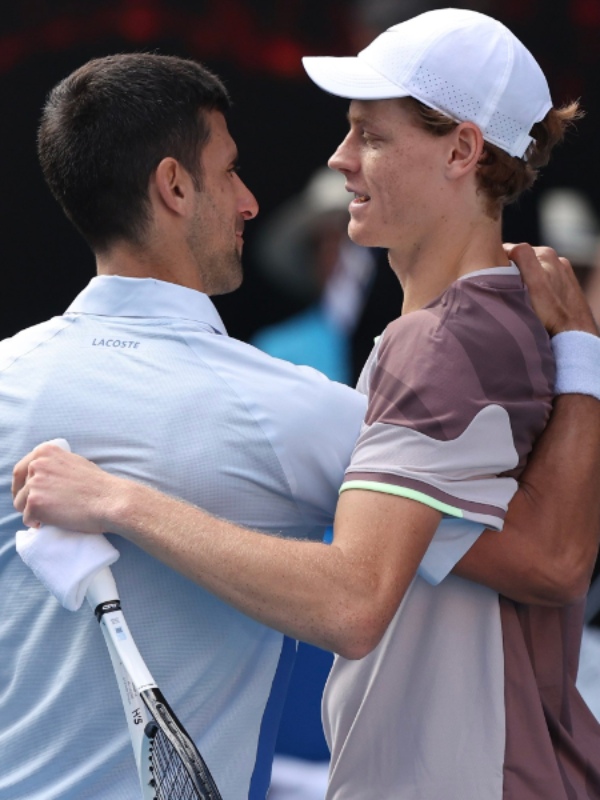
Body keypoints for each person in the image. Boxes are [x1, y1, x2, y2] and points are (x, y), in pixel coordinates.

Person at [13, 9, 600, 800]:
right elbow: (546, 557)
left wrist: (118, 499)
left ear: (462, 151)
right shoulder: (483, 330)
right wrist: (581, 357)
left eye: (371, 136)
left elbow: (362, 598)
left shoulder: (438, 343)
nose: (339, 157)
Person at [0, 53, 369, 800]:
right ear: (173, 186)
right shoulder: (298, 409)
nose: (249, 201)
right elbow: (536, 556)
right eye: (229, 171)